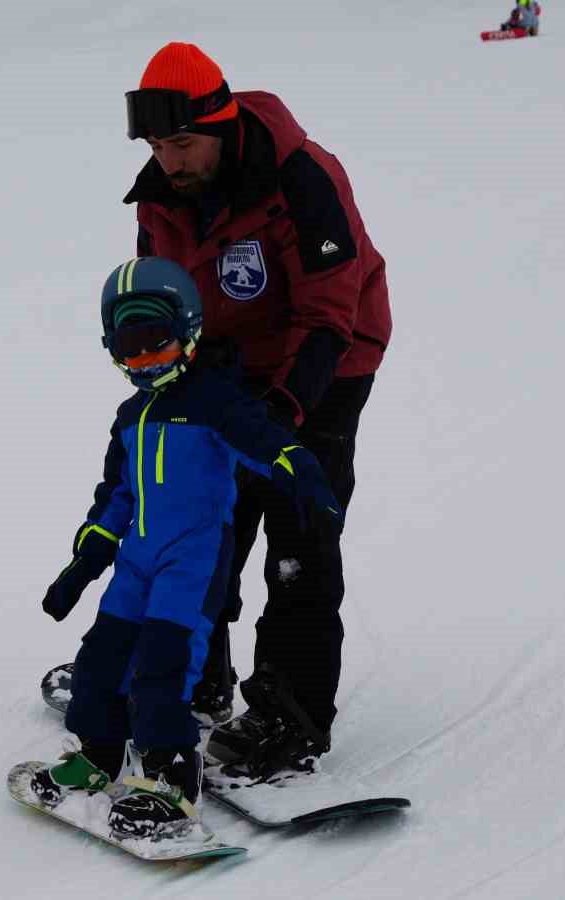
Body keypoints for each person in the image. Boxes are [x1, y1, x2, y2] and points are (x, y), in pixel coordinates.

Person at [120, 42, 391, 780]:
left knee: (298, 532)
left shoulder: (302, 177)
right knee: (201, 520)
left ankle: (289, 715)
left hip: (327, 364)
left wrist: (281, 412)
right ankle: (195, 677)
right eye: (156, 144)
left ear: (223, 121)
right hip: (230, 368)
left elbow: (331, 311)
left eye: (182, 142)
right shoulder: (159, 196)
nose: (170, 160)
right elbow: (166, 299)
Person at [31, 256, 344, 839]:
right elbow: (115, 498)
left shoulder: (215, 401)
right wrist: (84, 562)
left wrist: (304, 475)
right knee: (102, 662)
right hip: (136, 564)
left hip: (192, 564)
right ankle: (98, 757)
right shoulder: (130, 418)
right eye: (131, 349)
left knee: (163, 670)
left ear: (189, 332)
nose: (145, 362)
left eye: (157, 343)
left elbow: (266, 442)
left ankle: (171, 781)